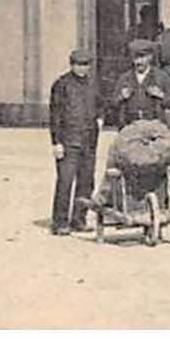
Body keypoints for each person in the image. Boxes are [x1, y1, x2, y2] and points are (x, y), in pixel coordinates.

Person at [48, 47, 102, 235]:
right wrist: (56, 142)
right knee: (65, 182)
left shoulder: (93, 85)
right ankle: (60, 223)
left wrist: (100, 119)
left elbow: (100, 105)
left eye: (86, 65)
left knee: (86, 182)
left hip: (88, 142)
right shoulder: (61, 85)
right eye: (78, 65)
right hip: (68, 142)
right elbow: (55, 115)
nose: (82, 68)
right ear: (72, 65)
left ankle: (79, 219)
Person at [111, 39, 170, 128]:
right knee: (121, 142)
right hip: (130, 126)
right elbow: (112, 104)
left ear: (150, 57)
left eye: (142, 57)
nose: (138, 62)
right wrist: (121, 97)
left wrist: (161, 95)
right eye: (135, 58)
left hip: (156, 125)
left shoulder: (161, 77)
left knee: (164, 141)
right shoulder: (125, 78)